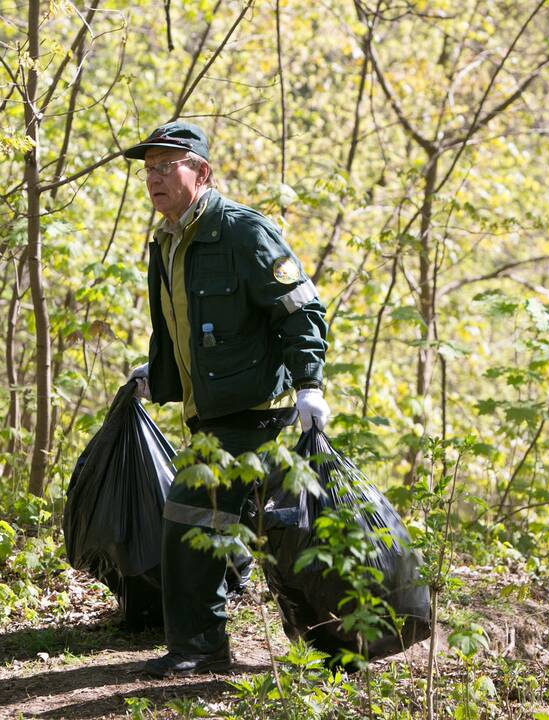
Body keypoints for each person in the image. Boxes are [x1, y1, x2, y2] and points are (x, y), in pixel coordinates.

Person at [122, 121, 330, 678]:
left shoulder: (243, 231)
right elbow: (179, 327)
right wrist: (159, 374)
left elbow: (301, 310)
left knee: (189, 514)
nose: (155, 178)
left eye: (168, 166)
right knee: (229, 522)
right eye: (149, 169)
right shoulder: (167, 241)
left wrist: (309, 383)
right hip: (208, 410)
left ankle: (201, 646)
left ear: (202, 172)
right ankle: (227, 609)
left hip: (251, 408)